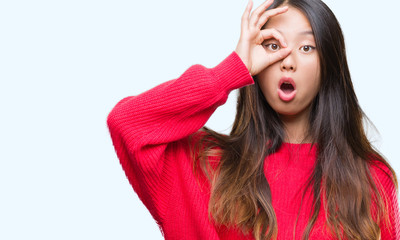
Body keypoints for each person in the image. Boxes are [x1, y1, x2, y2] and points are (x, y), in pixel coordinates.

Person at [107, 0, 400, 239]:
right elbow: (127, 122)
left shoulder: (371, 179)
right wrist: (232, 70)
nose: (288, 60)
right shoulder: (208, 165)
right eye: (273, 46)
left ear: (329, 66)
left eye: (307, 47)